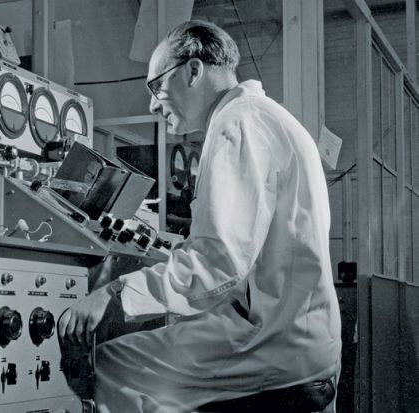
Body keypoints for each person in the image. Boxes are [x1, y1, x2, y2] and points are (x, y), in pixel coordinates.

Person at [58, 20, 341, 413]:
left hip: (274, 348)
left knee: (109, 362)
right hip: (302, 343)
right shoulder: (262, 116)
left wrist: (114, 293)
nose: (153, 104)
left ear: (193, 71)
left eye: (156, 86)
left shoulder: (236, 123)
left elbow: (218, 262)